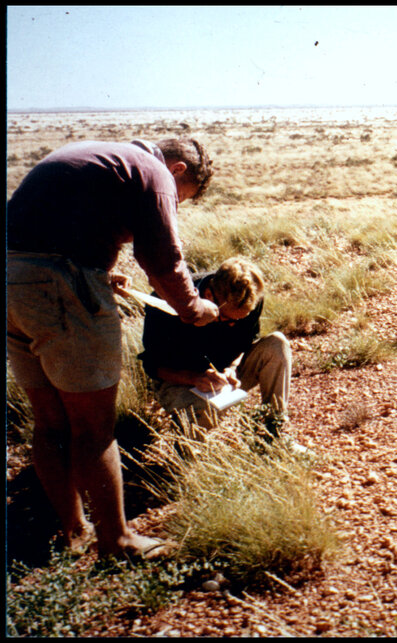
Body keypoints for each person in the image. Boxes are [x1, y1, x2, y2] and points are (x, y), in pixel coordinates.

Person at [7, 138, 219, 559]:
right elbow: (161, 256)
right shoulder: (156, 173)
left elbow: (64, 225)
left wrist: (102, 271)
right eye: (183, 198)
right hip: (61, 285)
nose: (176, 203)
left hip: (13, 282)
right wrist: (195, 308)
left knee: (50, 423)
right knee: (93, 428)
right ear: (177, 170)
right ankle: (117, 541)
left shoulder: (102, 155)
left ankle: (72, 531)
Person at [138, 257, 303, 452]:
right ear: (209, 296)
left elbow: (246, 344)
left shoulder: (249, 302)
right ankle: (184, 454)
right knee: (199, 425)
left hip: (223, 378)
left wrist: (232, 369)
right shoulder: (166, 301)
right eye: (226, 318)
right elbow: (152, 366)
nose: (233, 325)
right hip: (179, 381)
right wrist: (195, 378)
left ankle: (274, 434)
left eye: (239, 320)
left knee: (277, 345)